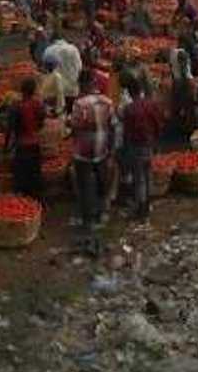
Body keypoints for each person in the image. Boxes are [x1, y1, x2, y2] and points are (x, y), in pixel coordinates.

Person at [70, 69, 118, 237]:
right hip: (102, 148)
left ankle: (88, 220)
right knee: (101, 182)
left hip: (83, 151)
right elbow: (113, 127)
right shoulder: (107, 102)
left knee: (84, 185)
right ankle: (102, 214)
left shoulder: (79, 104)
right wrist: (111, 149)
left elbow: (75, 127)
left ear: (82, 84)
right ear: (94, 83)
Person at [119, 77, 163, 222]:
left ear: (130, 94)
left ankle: (142, 210)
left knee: (139, 179)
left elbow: (126, 132)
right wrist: (156, 141)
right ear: (142, 91)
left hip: (135, 146)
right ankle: (147, 204)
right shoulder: (151, 105)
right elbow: (158, 124)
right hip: (149, 144)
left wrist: (124, 149)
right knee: (148, 174)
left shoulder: (129, 109)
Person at [7, 77, 45, 199]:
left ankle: (25, 201)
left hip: (22, 146)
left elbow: (11, 128)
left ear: (21, 91)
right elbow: (41, 123)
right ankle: (37, 201)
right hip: (35, 145)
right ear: (33, 90)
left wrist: (6, 146)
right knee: (35, 174)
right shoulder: (38, 104)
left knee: (21, 176)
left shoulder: (16, 107)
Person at [42, 34, 83, 110]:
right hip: (72, 89)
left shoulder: (48, 50)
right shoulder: (74, 49)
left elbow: (45, 70)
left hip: (54, 92)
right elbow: (80, 68)